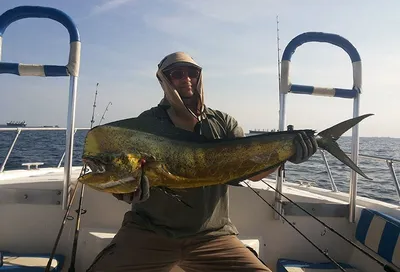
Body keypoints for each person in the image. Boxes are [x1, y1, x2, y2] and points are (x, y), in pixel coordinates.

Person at [86, 51, 317, 272]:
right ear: (163, 80)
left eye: (191, 73)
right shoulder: (147, 124)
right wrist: (125, 192)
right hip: (148, 233)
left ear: (200, 76)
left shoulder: (223, 123)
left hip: (212, 236)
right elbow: (125, 174)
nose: (185, 79)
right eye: (176, 74)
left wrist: (285, 155)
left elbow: (250, 171)